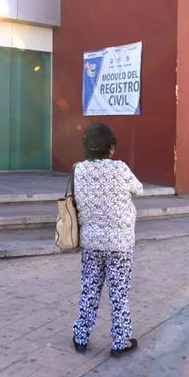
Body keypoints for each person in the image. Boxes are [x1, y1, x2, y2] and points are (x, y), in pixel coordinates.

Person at [71, 123, 142, 357]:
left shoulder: (78, 169)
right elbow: (139, 189)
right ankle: (120, 341)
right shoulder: (120, 168)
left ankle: (81, 336)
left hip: (91, 242)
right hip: (119, 243)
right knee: (119, 293)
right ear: (110, 147)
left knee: (89, 289)